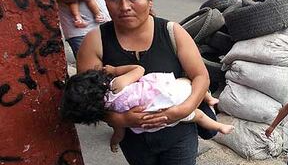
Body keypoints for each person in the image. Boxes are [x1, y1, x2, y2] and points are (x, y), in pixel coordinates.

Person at [76, 0, 210, 165]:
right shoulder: (95, 41)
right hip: (134, 141)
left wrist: (184, 109)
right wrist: (121, 120)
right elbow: (87, 96)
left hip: (179, 135)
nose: (124, 7)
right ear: (105, 0)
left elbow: (201, 76)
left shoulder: (172, 32)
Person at [60, 66, 234, 153]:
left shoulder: (113, 112)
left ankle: (219, 127)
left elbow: (119, 133)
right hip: (170, 91)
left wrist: (114, 142)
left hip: (162, 112)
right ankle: (209, 97)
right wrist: (116, 70)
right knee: (191, 81)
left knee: (198, 116)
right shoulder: (116, 85)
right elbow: (139, 69)